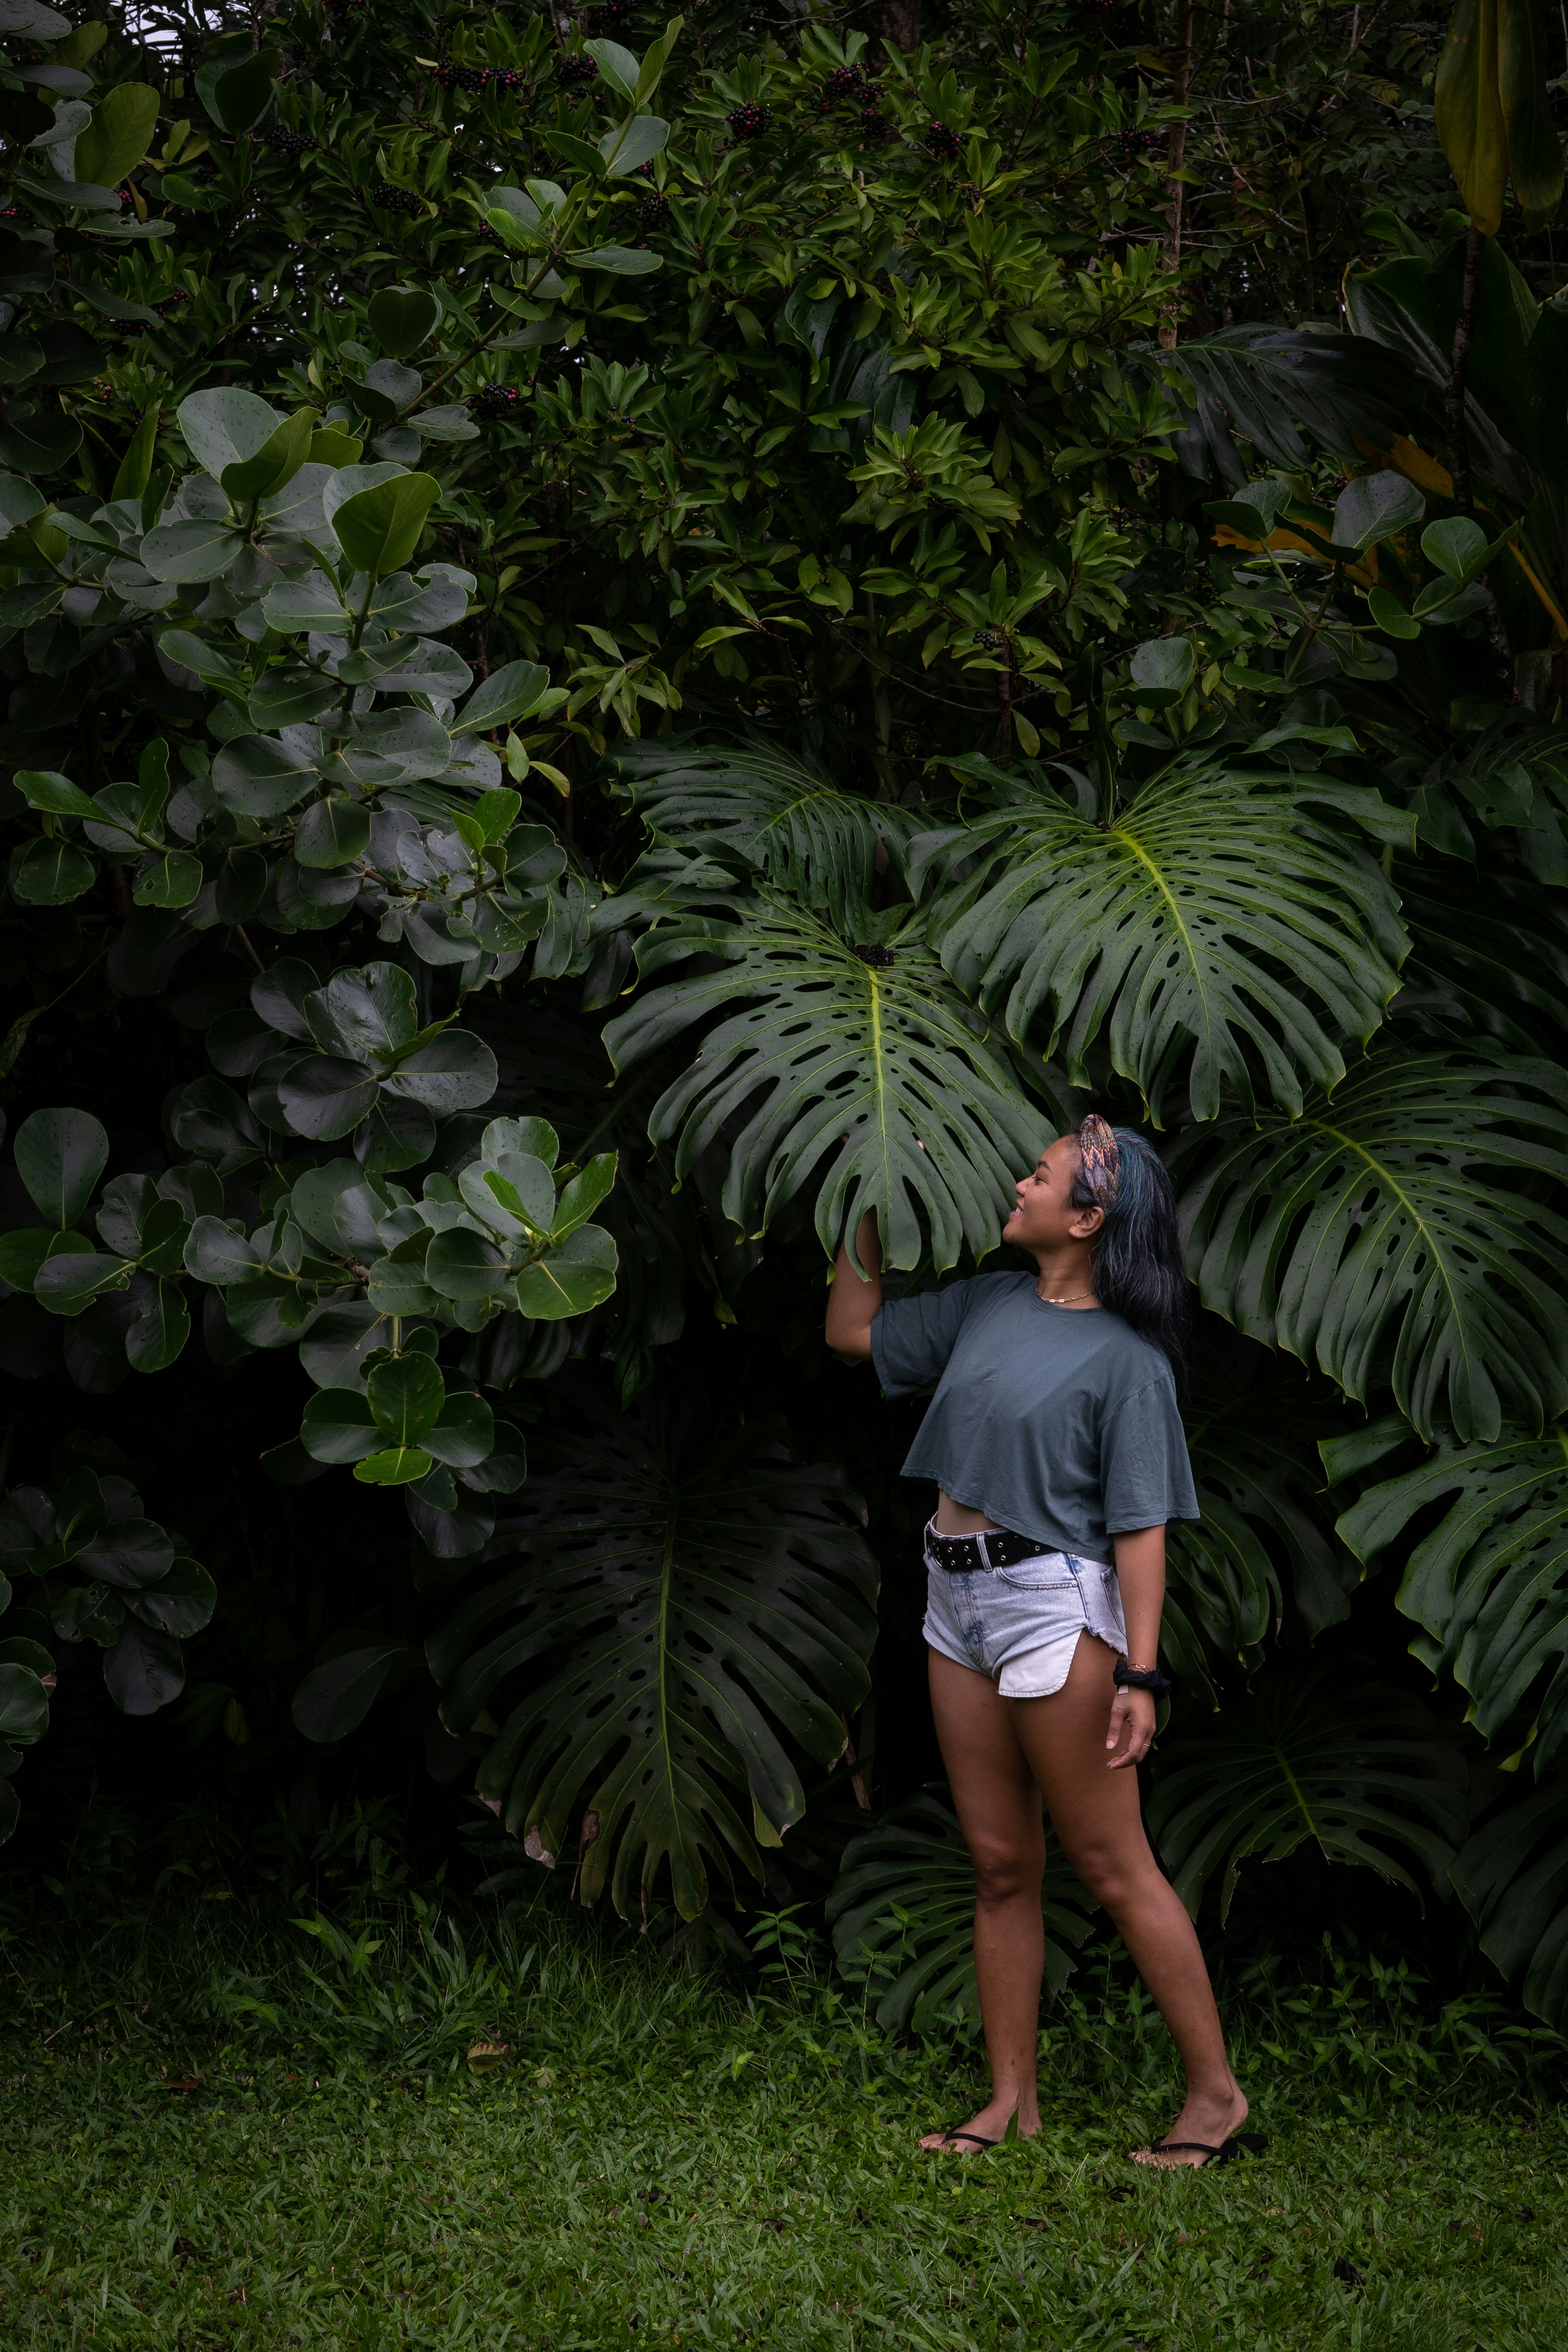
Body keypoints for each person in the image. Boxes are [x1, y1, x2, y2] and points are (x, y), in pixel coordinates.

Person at [824, 1115, 1259, 2170]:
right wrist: (871, 1192)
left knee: (1111, 1862)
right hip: (953, 1597)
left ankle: (1214, 2096)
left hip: (1052, 1607)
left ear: (1088, 1218)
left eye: (1041, 1174)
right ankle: (1010, 2100)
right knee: (999, 1861)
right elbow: (851, 1327)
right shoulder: (988, 1302)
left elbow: (1139, 1526)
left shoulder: (1127, 1361)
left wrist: (1141, 1671)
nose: (1015, 1181)